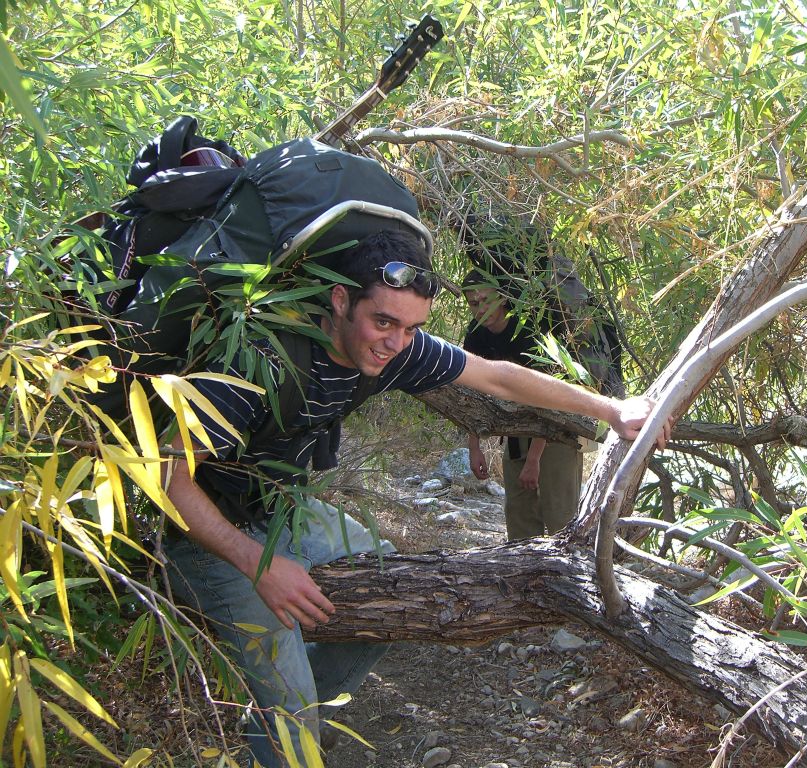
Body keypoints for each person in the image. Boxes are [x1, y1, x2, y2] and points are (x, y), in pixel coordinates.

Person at [162, 230, 664, 767]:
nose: (396, 341)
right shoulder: (264, 359)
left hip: (285, 507)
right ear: (340, 301)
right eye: (383, 322)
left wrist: (610, 408)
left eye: (411, 328)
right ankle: (287, 720)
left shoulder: (395, 348)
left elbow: (498, 377)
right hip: (210, 535)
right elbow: (166, 473)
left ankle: (296, 706)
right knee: (289, 713)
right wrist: (258, 567)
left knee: (387, 589)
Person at [462, 268, 584, 539]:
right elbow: (471, 393)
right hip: (516, 431)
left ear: (503, 298)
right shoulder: (476, 334)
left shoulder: (529, 330)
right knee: (519, 516)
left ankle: (568, 573)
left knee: (560, 517)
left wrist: (534, 459)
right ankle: (524, 575)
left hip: (555, 430)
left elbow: (551, 398)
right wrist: (474, 447)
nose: (480, 308)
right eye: (473, 303)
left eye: (486, 300)